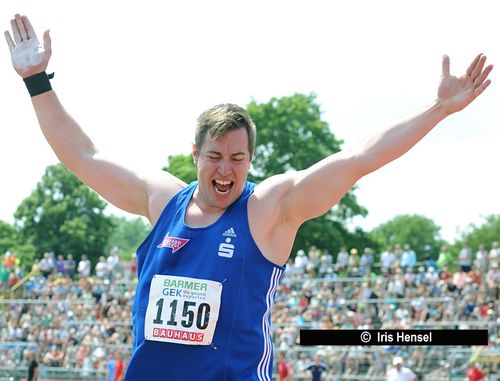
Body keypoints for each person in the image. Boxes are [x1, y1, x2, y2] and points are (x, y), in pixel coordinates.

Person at [4, 13, 493, 381]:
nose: (225, 169)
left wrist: (438, 110)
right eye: (215, 156)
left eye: (238, 159)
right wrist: (35, 81)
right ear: (194, 154)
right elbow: (83, 156)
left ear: (250, 160)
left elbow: (358, 157)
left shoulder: (268, 210)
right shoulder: (163, 201)